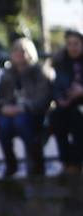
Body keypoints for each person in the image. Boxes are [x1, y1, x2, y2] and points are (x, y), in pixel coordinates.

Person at [0, 36, 51, 179]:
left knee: (22, 122)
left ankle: (35, 164)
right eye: (16, 51)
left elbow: (43, 99)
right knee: (3, 124)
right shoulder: (7, 74)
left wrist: (24, 107)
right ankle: (10, 164)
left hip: (35, 115)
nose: (19, 54)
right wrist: (3, 108)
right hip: (11, 113)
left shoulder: (40, 72)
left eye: (23, 51)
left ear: (30, 53)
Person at [51, 29, 83, 174]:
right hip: (66, 104)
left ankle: (77, 163)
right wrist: (60, 99)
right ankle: (66, 161)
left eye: (76, 43)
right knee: (56, 117)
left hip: (81, 105)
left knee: (78, 118)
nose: (73, 47)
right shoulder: (60, 62)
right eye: (69, 44)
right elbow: (56, 85)